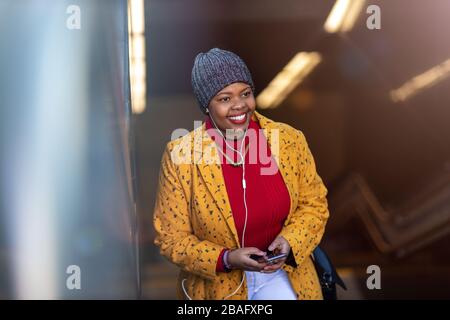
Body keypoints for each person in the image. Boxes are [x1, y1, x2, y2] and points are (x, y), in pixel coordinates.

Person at [153, 48, 329, 300]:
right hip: (218, 286)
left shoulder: (289, 140)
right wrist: (226, 258)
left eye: (245, 93)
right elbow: (170, 238)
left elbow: (314, 204)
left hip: (283, 274)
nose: (239, 105)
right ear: (207, 105)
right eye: (224, 99)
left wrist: (290, 242)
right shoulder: (180, 155)